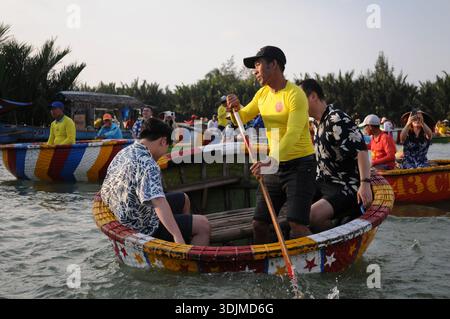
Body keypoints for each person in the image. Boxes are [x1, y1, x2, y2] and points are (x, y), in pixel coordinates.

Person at [227, 46, 316, 243]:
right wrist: (233, 107)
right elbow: (239, 119)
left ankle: (314, 261)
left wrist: (269, 160)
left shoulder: (295, 95)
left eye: (258, 64)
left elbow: (293, 134)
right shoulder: (262, 95)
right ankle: (265, 267)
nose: (255, 70)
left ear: (273, 65)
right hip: (274, 166)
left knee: (297, 226)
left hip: (300, 166)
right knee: (259, 224)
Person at [100, 118, 210, 245]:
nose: (165, 152)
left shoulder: (124, 152)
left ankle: (185, 234)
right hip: (141, 226)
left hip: (125, 215)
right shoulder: (149, 164)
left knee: (184, 198)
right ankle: (186, 257)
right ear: (163, 141)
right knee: (203, 225)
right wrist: (177, 236)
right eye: (168, 146)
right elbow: (158, 202)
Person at [300, 79, 372, 232]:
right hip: (323, 183)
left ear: (313, 96)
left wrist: (365, 184)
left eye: (300, 99)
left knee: (313, 216)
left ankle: (334, 236)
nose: (297, 105)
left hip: (345, 185)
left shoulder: (336, 119)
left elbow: (361, 150)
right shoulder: (316, 123)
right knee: (295, 206)